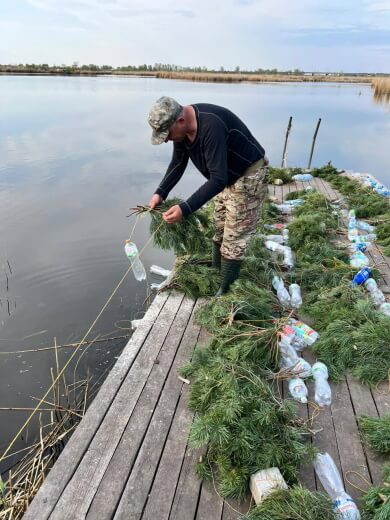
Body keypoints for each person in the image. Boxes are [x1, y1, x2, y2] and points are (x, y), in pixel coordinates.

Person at [147, 96, 268, 295]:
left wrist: (184, 209)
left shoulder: (210, 126)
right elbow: (178, 163)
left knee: (234, 235)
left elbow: (218, 180)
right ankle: (216, 273)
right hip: (227, 177)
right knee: (219, 226)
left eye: (167, 133)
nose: (167, 138)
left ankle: (226, 291)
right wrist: (160, 193)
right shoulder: (182, 132)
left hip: (248, 175)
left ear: (180, 121)